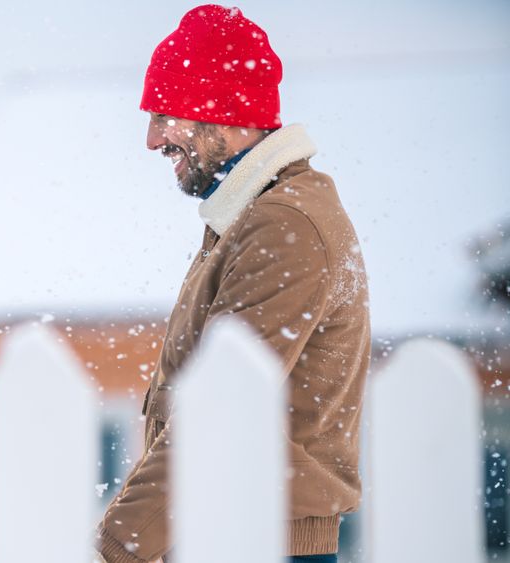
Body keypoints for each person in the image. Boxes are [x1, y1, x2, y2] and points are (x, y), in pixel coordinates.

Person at [95, 5, 370, 563]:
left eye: (164, 114)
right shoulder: (253, 216)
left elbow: (215, 408)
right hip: (231, 531)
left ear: (221, 114)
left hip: (258, 538)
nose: (151, 139)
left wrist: (114, 550)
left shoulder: (284, 223)